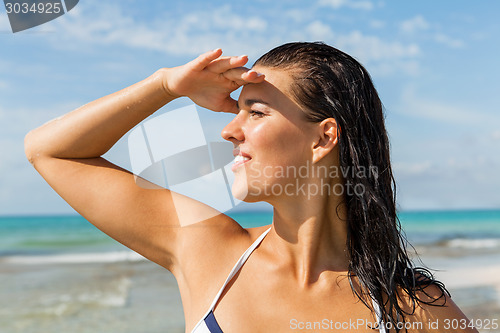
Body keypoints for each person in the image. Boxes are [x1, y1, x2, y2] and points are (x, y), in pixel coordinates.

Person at [25, 42, 477, 332]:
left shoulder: (412, 312)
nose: (229, 130)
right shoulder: (207, 252)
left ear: (323, 138)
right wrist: (167, 85)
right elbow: (51, 151)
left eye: (256, 112)